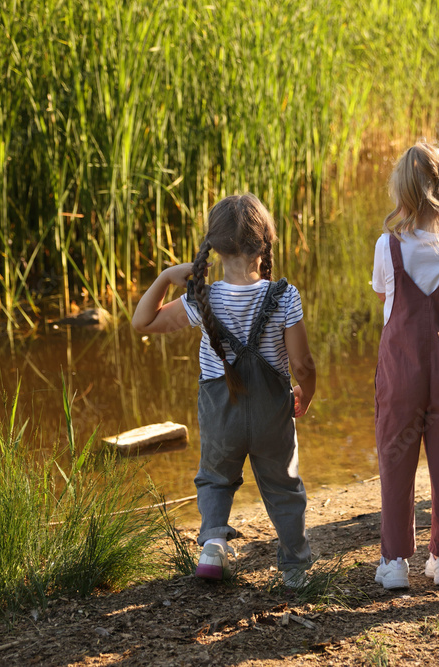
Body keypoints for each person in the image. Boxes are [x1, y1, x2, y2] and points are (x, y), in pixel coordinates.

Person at [132, 193, 315, 587]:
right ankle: (295, 568)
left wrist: (165, 276)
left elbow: (142, 322)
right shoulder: (285, 296)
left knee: (215, 479)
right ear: (265, 242)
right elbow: (303, 364)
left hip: (220, 413)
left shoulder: (204, 299)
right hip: (272, 414)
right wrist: (307, 391)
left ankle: (213, 546)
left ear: (213, 246)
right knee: (284, 486)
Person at [371, 141, 439, 589]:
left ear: (402, 194)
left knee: (395, 460)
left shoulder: (387, 246)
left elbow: (386, 298)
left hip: (401, 372)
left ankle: (395, 562)